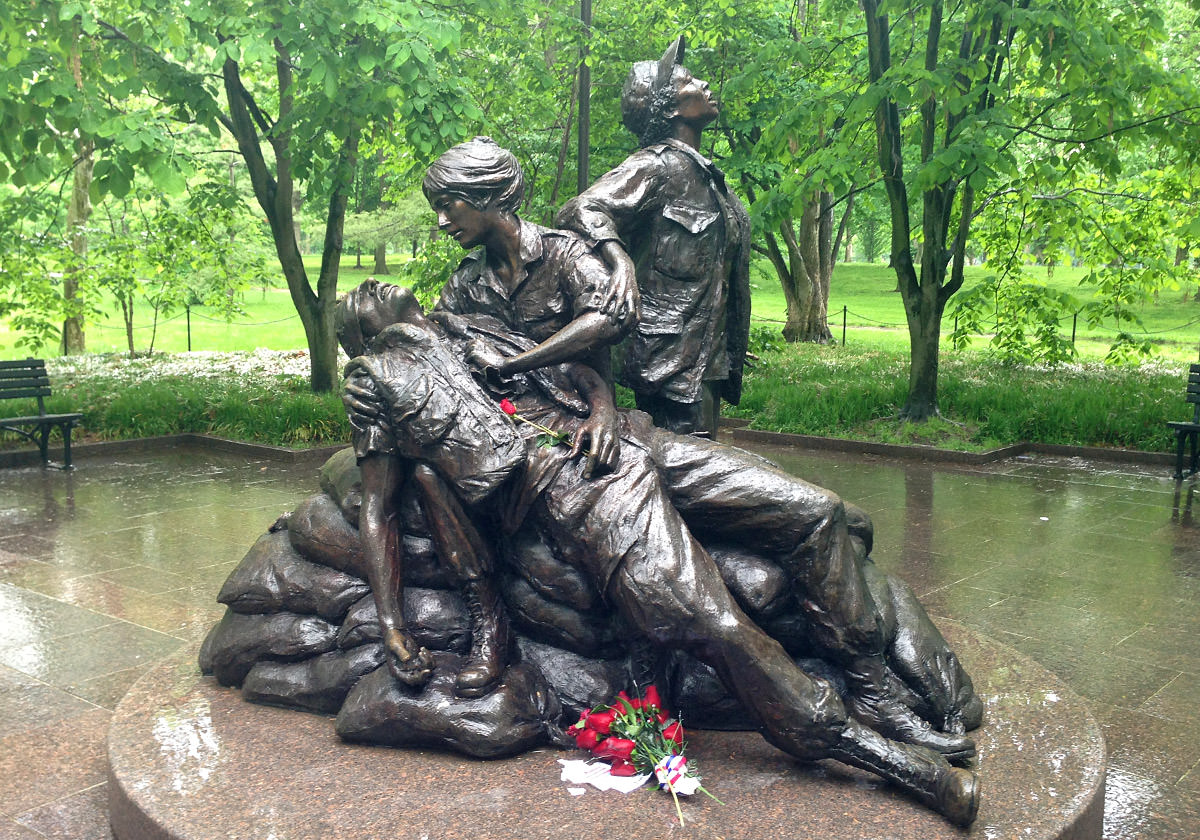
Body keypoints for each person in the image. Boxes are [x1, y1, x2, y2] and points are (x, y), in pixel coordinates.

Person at [335, 279, 980, 827]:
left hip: (640, 442)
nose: (373, 288)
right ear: (363, 338)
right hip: (581, 489)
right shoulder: (376, 381)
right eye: (361, 298)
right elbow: (379, 507)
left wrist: (602, 407)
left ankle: (873, 690)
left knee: (818, 514)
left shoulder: (468, 323)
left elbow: (576, 367)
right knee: (716, 624)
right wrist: (393, 623)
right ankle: (903, 768)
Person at [556, 36, 751, 437]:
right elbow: (581, 209)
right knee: (683, 474)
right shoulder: (655, 166)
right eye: (689, 81)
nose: (704, 85)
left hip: (707, 359)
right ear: (669, 107)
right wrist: (619, 260)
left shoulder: (709, 180)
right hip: (670, 361)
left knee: (702, 470)